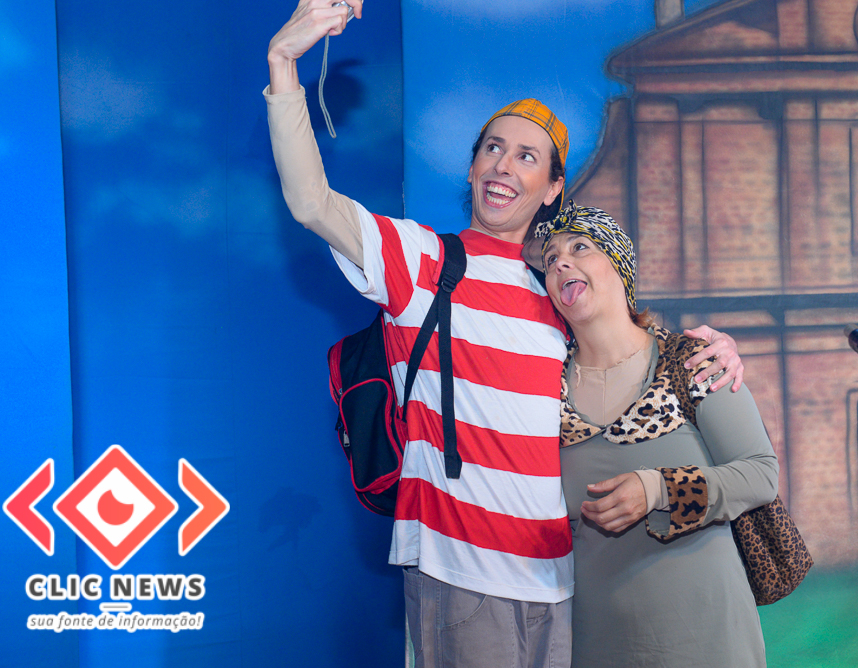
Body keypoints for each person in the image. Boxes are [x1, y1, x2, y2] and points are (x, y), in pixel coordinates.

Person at [264, 2, 745, 665]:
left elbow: (634, 364)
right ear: (471, 170)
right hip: (460, 575)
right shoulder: (420, 261)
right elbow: (311, 201)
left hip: (563, 580)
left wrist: (712, 352)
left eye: (526, 156)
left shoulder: (560, 296)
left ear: (551, 189)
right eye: (491, 148)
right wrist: (283, 63)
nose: (503, 166)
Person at [528, 203, 779, 668]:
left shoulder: (691, 360)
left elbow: (760, 474)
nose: (560, 263)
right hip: (595, 646)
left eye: (579, 247)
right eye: (550, 259)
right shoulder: (541, 389)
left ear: (620, 265)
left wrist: (659, 489)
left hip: (709, 642)